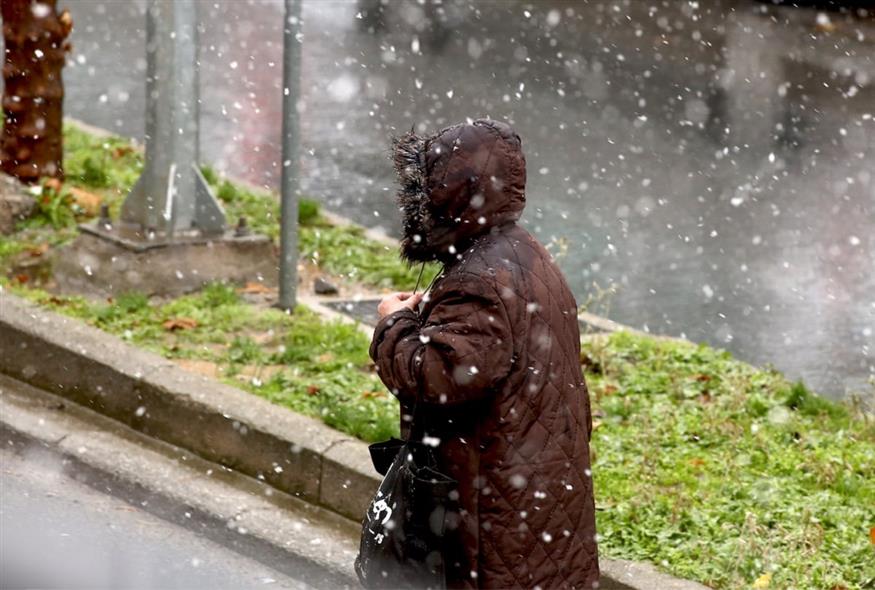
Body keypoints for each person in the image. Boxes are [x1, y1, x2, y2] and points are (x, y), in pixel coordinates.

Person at [370, 119, 599, 589]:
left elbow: (436, 375)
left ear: (450, 194)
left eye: (425, 187)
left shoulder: (479, 280)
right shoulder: (523, 254)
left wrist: (393, 323)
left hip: (490, 504)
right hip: (534, 489)